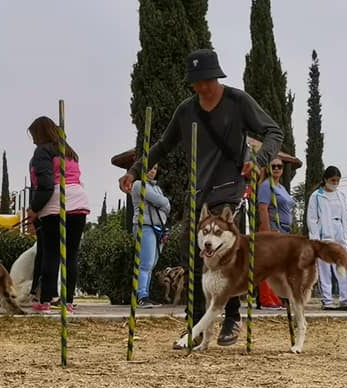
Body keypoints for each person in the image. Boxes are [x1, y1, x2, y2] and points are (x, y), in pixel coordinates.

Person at [119, 48, 283, 347]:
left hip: (231, 188)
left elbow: (274, 131)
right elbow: (163, 146)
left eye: (207, 80)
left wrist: (259, 162)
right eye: (197, 82)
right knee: (194, 259)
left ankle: (232, 318)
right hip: (199, 193)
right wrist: (134, 170)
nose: (202, 87)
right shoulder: (186, 110)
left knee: (225, 254)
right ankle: (195, 326)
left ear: (217, 77)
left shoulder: (238, 101)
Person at [26, 116, 89, 313]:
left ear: (40, 133)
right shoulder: (70, 152)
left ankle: (46, 300)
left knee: (51, 253)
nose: (33, 141)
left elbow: (45, 185)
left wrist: (34, 209)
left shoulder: (42, 151)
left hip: (55, 204)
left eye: (34, 135)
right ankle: (68, 302)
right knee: (71, 254)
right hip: (79, 203)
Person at [307, 165, 347, 310]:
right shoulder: (316, 196)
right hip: (324, 234)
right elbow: (312, 218)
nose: (335, 183)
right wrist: (315, 239)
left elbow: (346, 216)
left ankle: (345, 299)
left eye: (337, 180)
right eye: (333, 180)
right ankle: (327, 300)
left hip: (339, 231)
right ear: (326, 179)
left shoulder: (341, 195)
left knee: (343, 264)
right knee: (325, 268)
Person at [130, 164, 171, 308]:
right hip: (144, 226)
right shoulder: (138, 184)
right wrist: (163, 202)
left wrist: (163, 203)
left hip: (158, 228)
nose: (152, 171)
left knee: (151, 264)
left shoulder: (157, 187)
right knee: (145, 263)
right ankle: (141, 296)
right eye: (150, 168)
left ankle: (145, 294)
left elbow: (167, 207)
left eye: (155, 169)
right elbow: (162, 202)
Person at [256, 158, 294, 309]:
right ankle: (266, 299)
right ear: (268, 168)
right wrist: (268, 232)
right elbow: (263, 208)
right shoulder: (267, 186)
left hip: (284, 229)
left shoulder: (281, 187)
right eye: (273, 166)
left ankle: (276, 297)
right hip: (273, 228)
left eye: (280, 166)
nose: (277, 168)